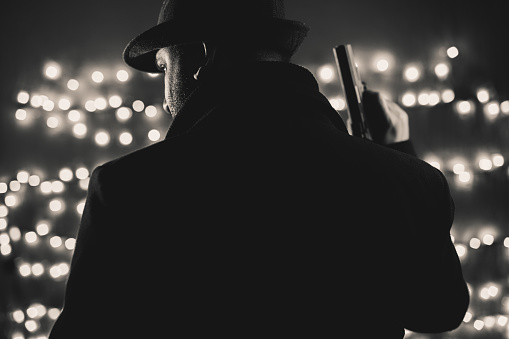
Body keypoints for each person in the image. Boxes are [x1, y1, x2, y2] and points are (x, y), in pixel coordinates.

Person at [49, 0, 469, 338]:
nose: (163, 99)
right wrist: (396, 156)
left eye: (164, 68)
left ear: (198, 56)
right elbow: (438, 311)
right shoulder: (409, 181)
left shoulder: (128, 189)